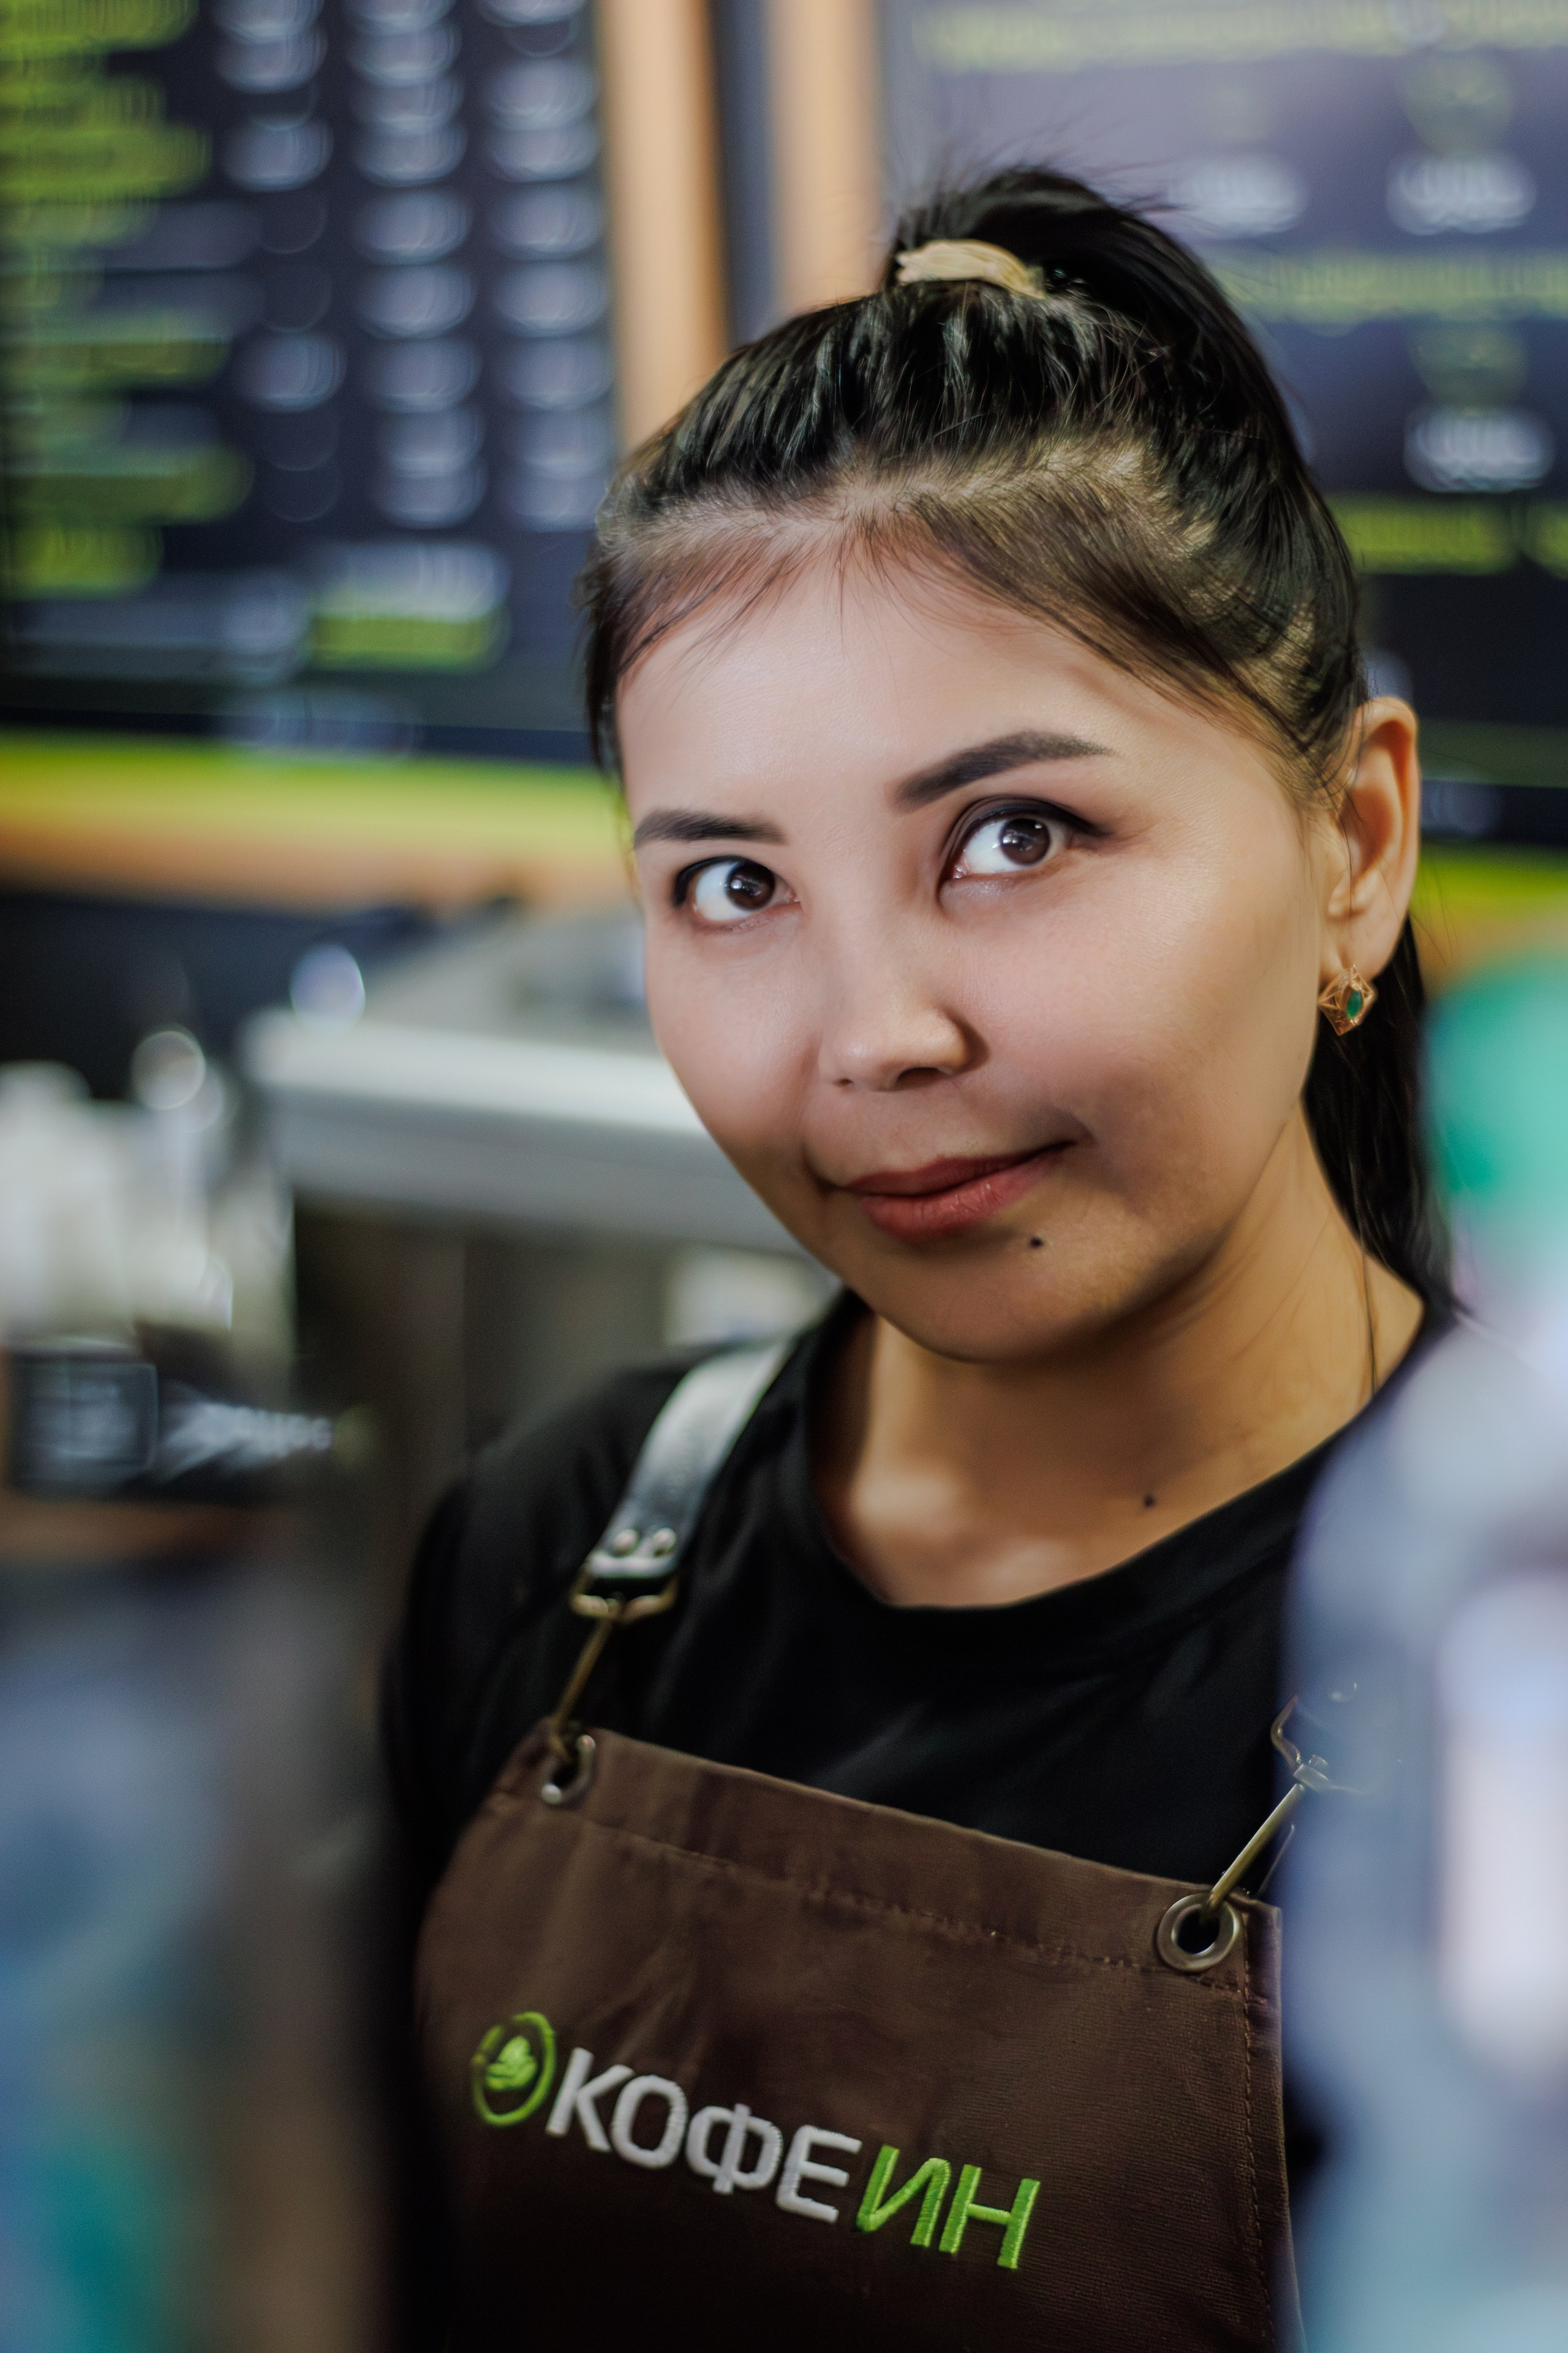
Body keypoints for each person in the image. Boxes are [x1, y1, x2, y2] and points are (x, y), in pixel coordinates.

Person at [384, 167, 1447, 2349]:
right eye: (733, 886)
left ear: (1352, 845)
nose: (874, 1034)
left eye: (1012, 837)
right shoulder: (550, 1550)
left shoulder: (1509, 1659)